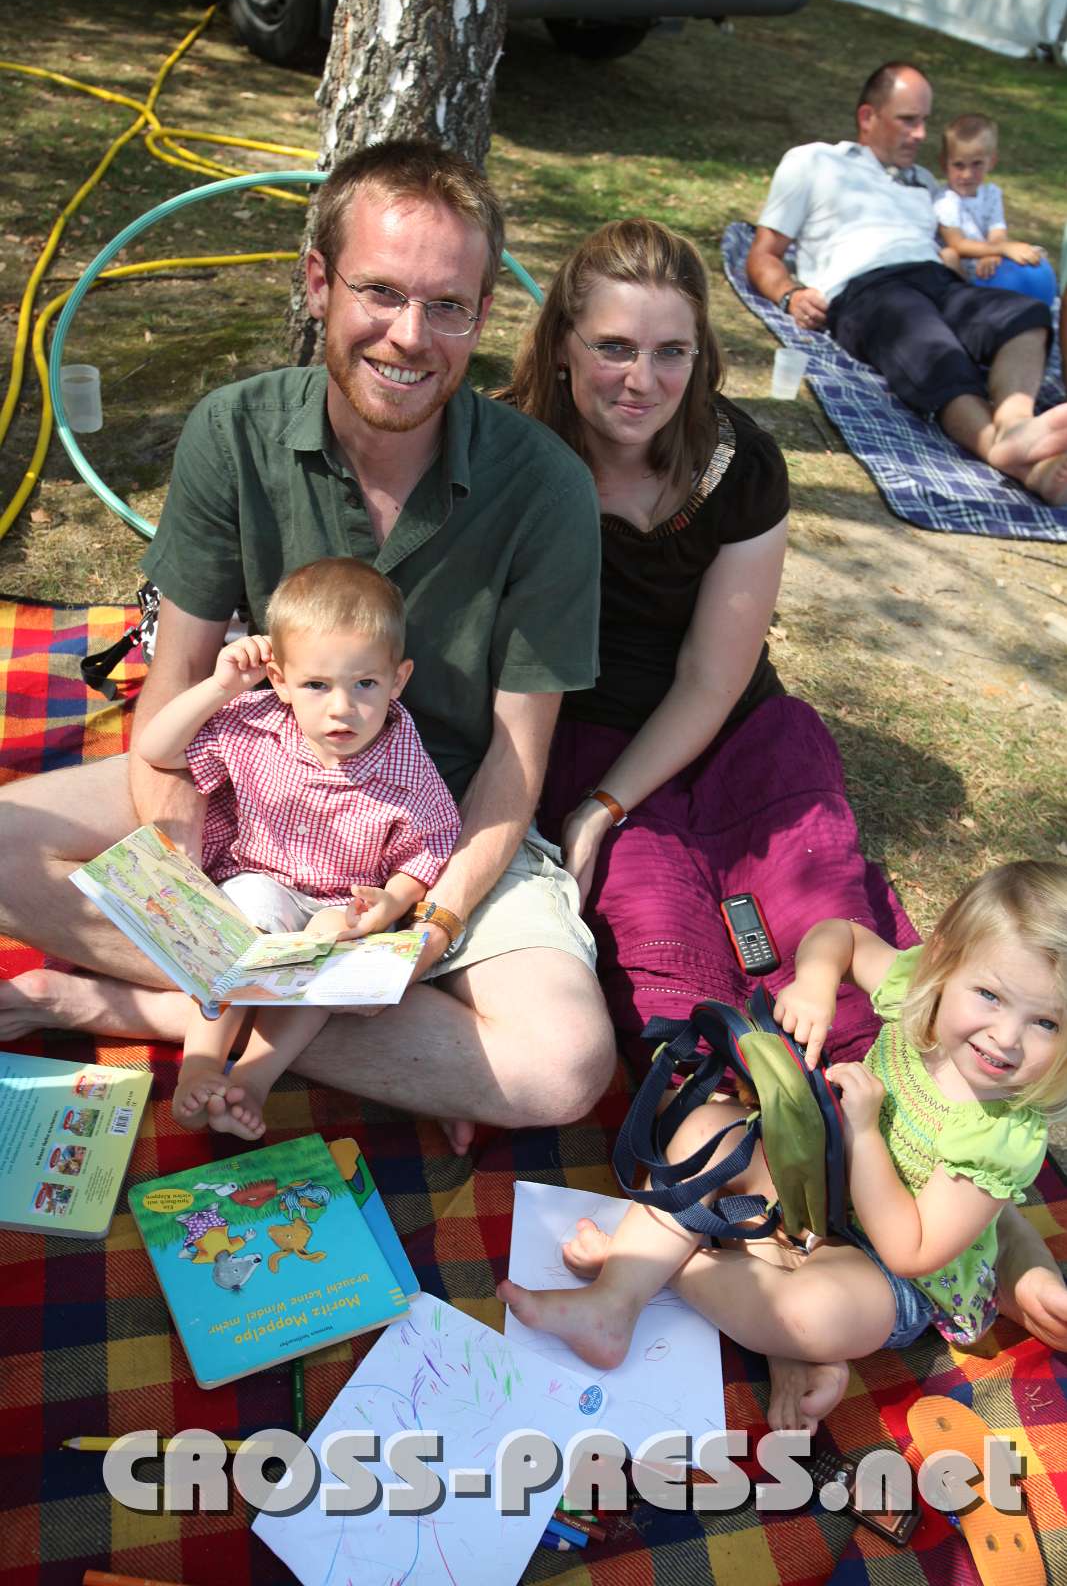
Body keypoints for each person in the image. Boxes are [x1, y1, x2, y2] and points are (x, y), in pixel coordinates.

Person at [0, 140, 616, 1153]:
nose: (409, 336)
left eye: (447, 306)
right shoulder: (233, 430)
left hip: (437, 821)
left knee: (564, 1066)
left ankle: (138, 1007)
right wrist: (190, 889)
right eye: (380, 292)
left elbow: (513, 765)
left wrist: (430, 926)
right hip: (257, 782)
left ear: (480, 317)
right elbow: (175, 685)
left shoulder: (543, 484)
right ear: (319, 282)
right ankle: (354, 1027)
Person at [510, 215, 917, 1076]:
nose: (641, 380)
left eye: (671, 352)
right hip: (580, 732)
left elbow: (709, 677)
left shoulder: (741, 465)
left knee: (818, 919)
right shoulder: (506, 453)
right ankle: (718, 1116)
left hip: (732, 730)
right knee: (659, 939)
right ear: (561, 346)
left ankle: (884, 1109)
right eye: (613, 347)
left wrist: (600, 808)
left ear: (701, 357)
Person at [499, 862, 1067, 1431]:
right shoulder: (925, 990)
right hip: (821, 1182)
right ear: (943, 962)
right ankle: (614, 1302)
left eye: (1046, 1022)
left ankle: (660, 1267)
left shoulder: (1003, 1136)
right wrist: (816, 983)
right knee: (706, 1130)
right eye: (989, 995)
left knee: (810, 1314)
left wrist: (866, 1133)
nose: (1006, 1037)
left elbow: (909, 1251)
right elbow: (842, 936)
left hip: (890, 1274)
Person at [136, 558, 461, 1140]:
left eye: (365, 684)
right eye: (316, 685)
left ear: (398, 680)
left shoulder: (407, 767)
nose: (342, 707)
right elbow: (158, 749)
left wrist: (390, 902)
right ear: (280, 680)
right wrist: (221, 687)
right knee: (241, 920)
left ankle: (255, 1077)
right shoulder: (257, 724)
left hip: (339, 902)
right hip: (260, 878)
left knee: (330, 956)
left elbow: (428, 847)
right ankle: (202, 1062)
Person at [746, 62, 1067, 505]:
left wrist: (981, 257)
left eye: (924, 121)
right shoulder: (813, 161)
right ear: (868, 117)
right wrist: (790, 295)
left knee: (1024, 315)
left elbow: (953, 244)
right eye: (908, 120)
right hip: (866, 289)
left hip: (936, 278)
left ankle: (1017, 428)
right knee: (932, 344)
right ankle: (1003, 451)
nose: (920, 134)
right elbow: (763, 254)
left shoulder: (925, 183)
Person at [934, 112, 1058, 306]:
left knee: (1031, 258)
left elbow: (997, 232)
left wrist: (994, 252)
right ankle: (966, 295)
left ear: (991, 162)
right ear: (944, 164)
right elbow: (957, 244)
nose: (967, 174)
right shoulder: (946, 200)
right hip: (962, 267)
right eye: (958, 165)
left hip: (989, 260)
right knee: (949, 256)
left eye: (977, 164)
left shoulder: (991, 194)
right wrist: (999, 250)